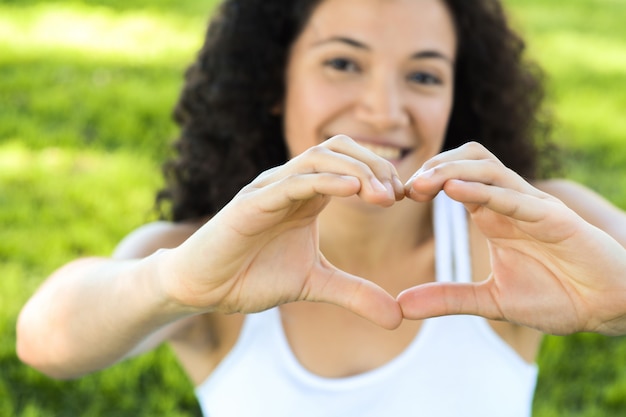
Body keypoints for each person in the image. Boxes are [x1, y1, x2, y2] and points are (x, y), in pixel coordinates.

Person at [16, 0, 626, 415]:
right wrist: (172, 284)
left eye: (424, 76)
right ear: (272, 85)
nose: (384, 111)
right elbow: (45, 339)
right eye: (342, 63)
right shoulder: (210, 259)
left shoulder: (525, 234)